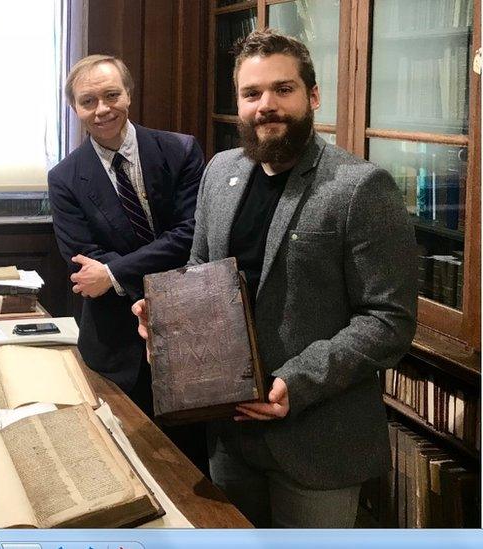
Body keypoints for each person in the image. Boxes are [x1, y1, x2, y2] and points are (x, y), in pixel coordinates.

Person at [133, 29, 418, 527]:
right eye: (252, 93)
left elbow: (389, 320)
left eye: (282, 89)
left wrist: (296, 381)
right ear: (239, 104)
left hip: (317, 441)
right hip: (228, 435)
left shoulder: (360, 187)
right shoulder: (220, 171)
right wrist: (164, 320)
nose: (267, 105)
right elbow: (200, 275)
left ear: (312, 96)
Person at [47, 54, 207, 467]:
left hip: (187, 331)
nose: (102, 110)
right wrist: (112, 276)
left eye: (111, 95)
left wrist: (115, 273)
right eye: (88, 101)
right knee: (121, 462)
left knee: (189, 465)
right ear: (75, 109)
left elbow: (190, 235)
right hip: (112, 345)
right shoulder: (65, 177)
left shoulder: (180, 150)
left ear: (129, 95)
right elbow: (83, 259)